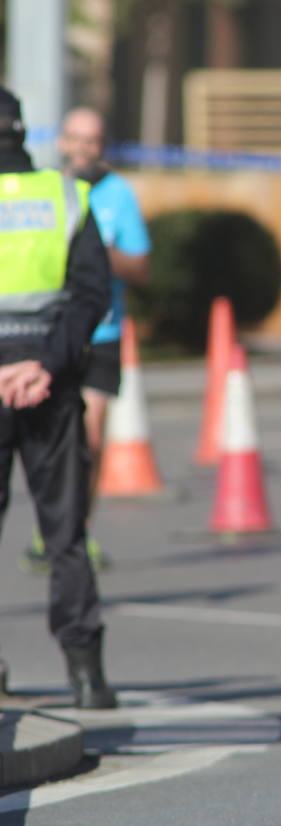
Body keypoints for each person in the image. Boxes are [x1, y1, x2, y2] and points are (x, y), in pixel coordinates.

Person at [0, 86, 116, 707]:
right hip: (52, 381)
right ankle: (86, 676)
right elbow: (92, 294)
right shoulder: (65, 195)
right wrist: (43, 364)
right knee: (66, 532)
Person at [26, 107, 152, 572]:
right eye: (75, 138)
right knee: (45, 439)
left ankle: (76, 532)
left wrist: (92, 249)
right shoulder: (48, 192)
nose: (83, 148)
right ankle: (50, 529)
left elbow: (140, 267)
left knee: (90, 437)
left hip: (102, 332)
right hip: (50, 333)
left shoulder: (118, 195)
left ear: (103, 146)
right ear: (61, 141)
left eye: (93, 140)